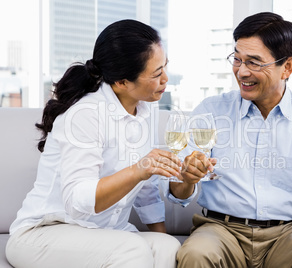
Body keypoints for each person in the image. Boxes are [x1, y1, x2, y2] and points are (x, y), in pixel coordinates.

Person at [169, 12, 292, 268]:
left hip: (289, 235)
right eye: (237, 59)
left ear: (288, 66)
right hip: (221, 231)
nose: (241, 71)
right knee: (197, 253)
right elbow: (179, 191)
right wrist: (187, 177)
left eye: (254, 62)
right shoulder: (211, 111)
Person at [6, 19, 184, 268]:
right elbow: (79, 202)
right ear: (122, 82)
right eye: (156, 73)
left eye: (165, 67)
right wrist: (138, 170)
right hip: (44, 233)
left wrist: (159, 234)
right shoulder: (86, 114)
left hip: (104, 234)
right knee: (131, 250)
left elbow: (146, 191)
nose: (166, 78)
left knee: (168, 248)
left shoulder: (145, 111)